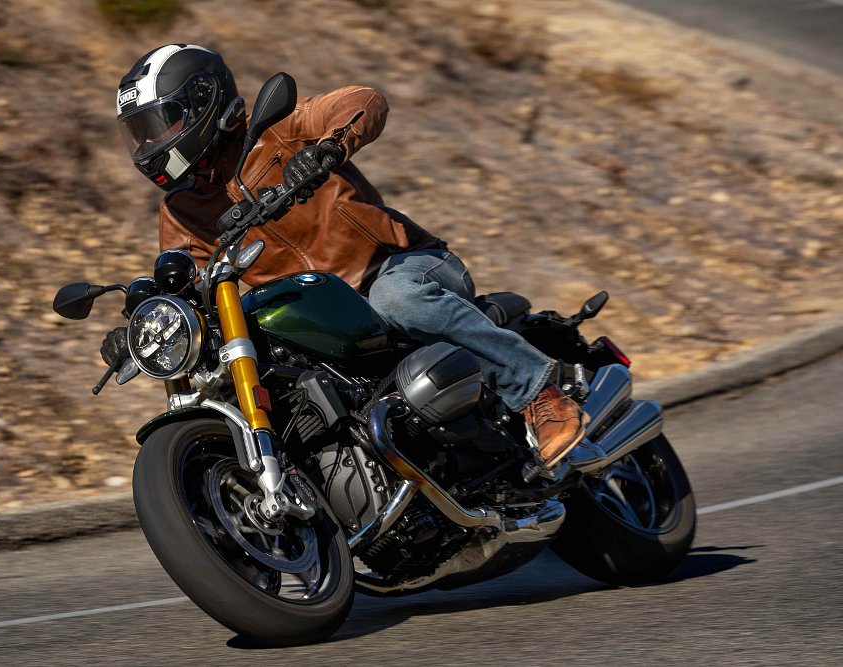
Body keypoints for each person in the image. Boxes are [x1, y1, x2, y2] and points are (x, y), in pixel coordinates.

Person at [103, 44, 587, 467]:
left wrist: (328, 148)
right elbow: (184, 280)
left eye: (159, 125)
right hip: (320, 314)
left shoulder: (279, 128)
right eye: (140, 132)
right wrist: (143, 332)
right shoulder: (182, 209)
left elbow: (363, 101)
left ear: (204, 102)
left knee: (398, 300)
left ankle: (536, 390)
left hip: (399, 265)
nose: (149, 145)